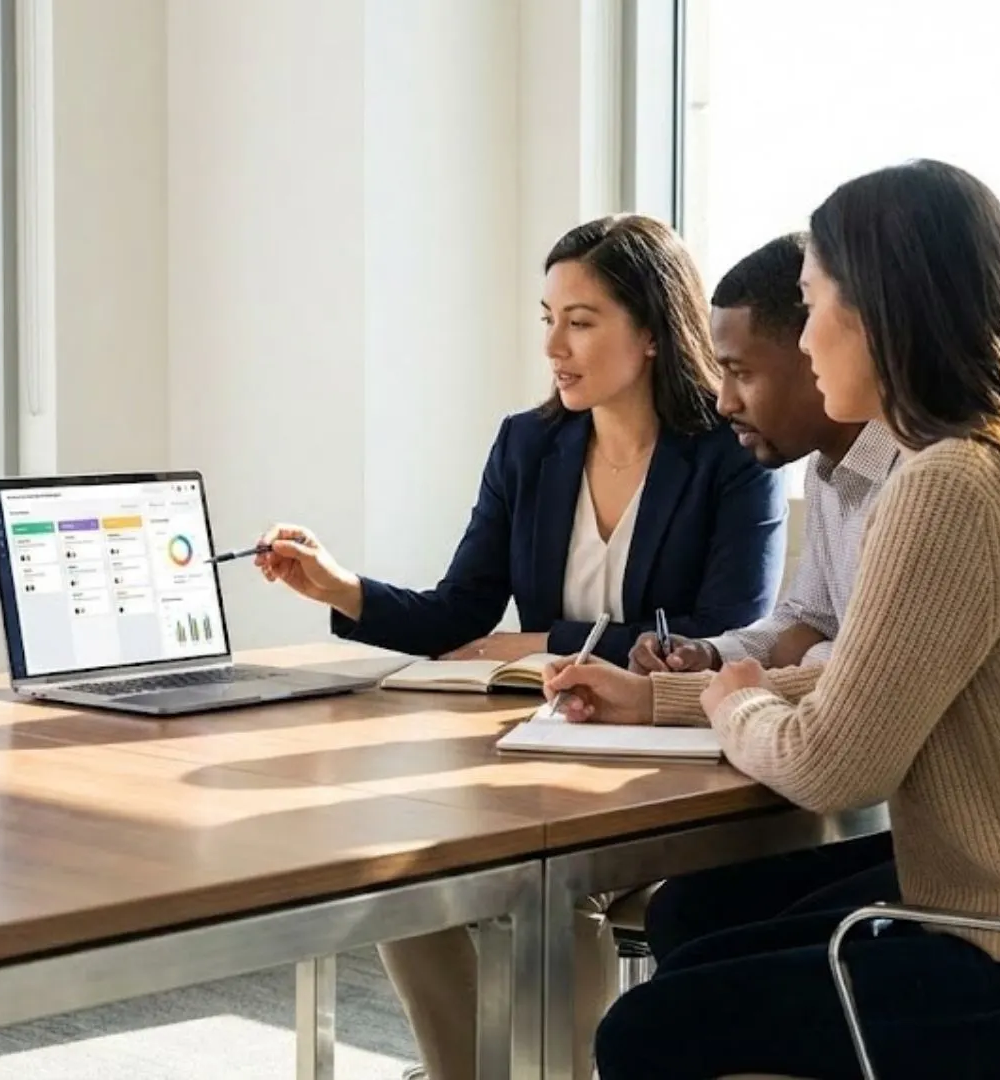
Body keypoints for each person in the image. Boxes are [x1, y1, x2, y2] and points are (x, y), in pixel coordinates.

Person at [574, 159, 1000, 1079]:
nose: (810, 333)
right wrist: (681, 696)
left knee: (647, 1029)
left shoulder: (952, 483)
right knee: (699, 924)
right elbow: (872, 674)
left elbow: (834, 764)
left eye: (814, 300)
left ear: (879, 314)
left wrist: (730, 703)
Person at [255, 214, 787, 1080]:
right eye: (548, 318)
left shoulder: (733, 456)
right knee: (414, 881)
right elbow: (460, 610)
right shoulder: (529, 444)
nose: (554, 346)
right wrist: (341, 588)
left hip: (673, 758)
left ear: (651, 331)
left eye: (580, 321)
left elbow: (718, 632)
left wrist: (550, 637)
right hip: (542, 748)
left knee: (557, 888)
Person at [544, 231, 904, 960]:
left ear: (817, 355)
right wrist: (708, 657)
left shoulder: (922, 484)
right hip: (899, 824)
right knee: (690, 918)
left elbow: (848, 690)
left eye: (739, 371)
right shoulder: (835, 474)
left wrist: (683, 698)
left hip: (940, 856)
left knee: (672, 987)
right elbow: (807, 624)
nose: (723, 398)